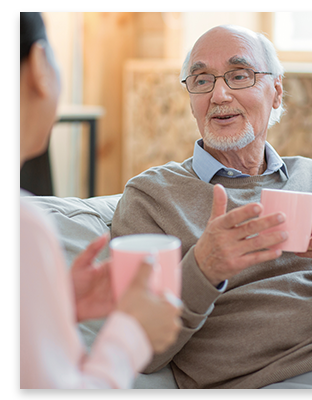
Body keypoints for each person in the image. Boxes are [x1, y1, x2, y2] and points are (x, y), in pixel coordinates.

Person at [111, 25, 312, 389]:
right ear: (191, 99)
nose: (219, 94)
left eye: (239, 75)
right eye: (201, 79)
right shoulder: (151, 197)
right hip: (269, 379)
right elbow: (139, 348)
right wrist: (203, 268)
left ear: (276, 91)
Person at [20, 12, 181, 389]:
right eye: (202, 80)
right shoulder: (23, 226)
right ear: (41, 66)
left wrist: (59, 306)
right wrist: (131, 333)